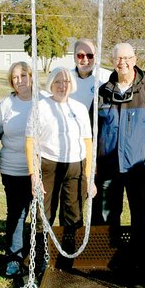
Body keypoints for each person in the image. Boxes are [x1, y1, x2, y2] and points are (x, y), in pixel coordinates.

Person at [93, 42, 145, 260]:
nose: (122, 62)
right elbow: (92, 130)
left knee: (139, 214)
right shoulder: (103, 92)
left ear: (135, 60)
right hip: (108, 166)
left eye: (127, 58)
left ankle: (139, 259)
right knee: (106, 215)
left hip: (138, 166)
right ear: (112, 61)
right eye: (118, 58)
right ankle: (106, 258)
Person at [26, 67, 93, 233]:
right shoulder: (40, 107)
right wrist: (34, 175)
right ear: (51, 84)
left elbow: (88, 143)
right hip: (49, 165)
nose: (62, 86)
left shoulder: (80, 108)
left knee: (73, 214)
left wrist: (89, 175)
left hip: (76, 166)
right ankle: (39, 254)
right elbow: (30, 143)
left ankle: (68, 254)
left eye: (66, 81)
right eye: (58, 81)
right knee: (43, 214)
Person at [0, 62, 35, 277]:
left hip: (38, 170)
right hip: (13, 169)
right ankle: (14, 258)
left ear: (31, 76)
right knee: (17, 215)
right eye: (15, 77)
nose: (20, 81)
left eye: (23, 76)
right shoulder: (5, 105)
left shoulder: (43, 101)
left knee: (39, 215)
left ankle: (38, 256)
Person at [69, 38, 111, 108]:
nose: (85, 59)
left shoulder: (108, 78)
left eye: (89, 56)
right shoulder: (65, 78)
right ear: (74, 56)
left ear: (96, 57)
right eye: (80, 55)